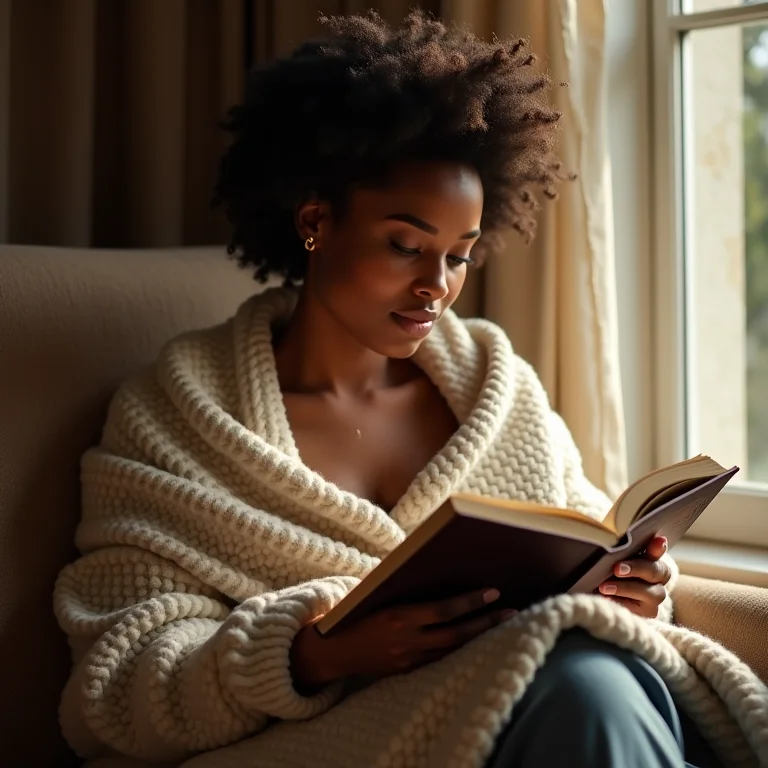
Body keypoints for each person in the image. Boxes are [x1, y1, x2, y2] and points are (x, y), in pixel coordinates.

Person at [54, 11, 763, 768]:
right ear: (316, 221)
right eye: (405, 246)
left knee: (589, 676)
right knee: (586, 685)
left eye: (459, 256)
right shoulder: (177, 417)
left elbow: (584, 533)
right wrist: (313, 655)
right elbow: (116, 683)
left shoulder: (498, 389)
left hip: (535, 712)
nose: (436, 287)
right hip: (334, 742)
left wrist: (639, 585)